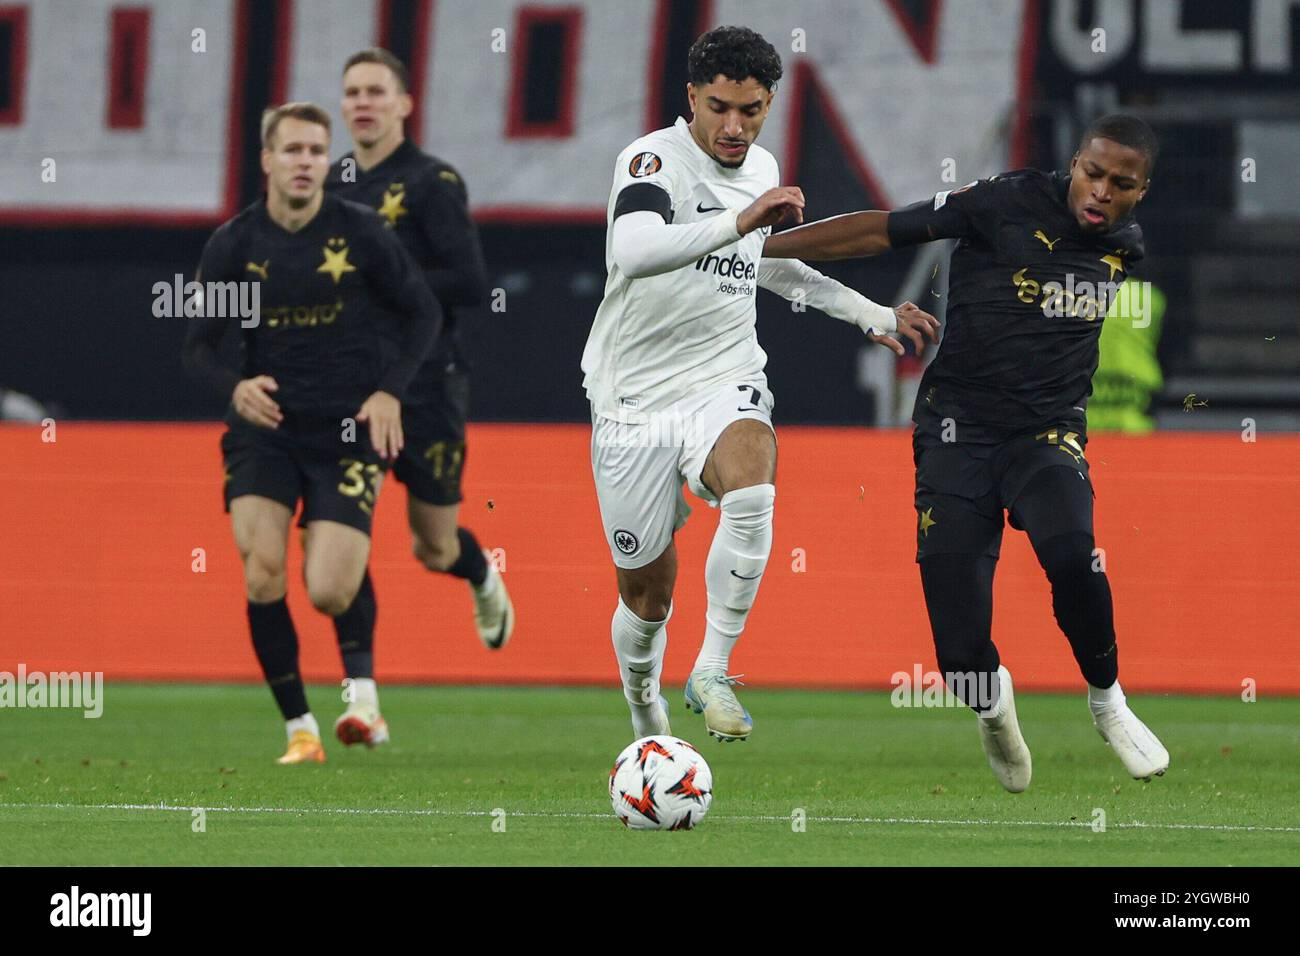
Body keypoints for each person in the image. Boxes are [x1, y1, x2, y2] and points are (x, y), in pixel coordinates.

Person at [764, 114, 1171, 788]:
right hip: (957, 430)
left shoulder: (1127, 245)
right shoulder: (1001, 201)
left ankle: (1108, 702)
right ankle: (992, 707)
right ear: (1074, 163)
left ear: (1140, 192)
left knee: (1073, 551)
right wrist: (762, 247)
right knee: (958, 653)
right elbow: (880, 229)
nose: (1101, 191)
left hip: (1046, 433)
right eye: (1092, 173)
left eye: (1120, 183)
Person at [583, 26, 938, 742]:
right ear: (692, 97)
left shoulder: (760, 166)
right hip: (632, 400)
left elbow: (766, 264)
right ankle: (644, 706)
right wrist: (742, 219)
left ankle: (713, 667)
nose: (735, 126)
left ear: (770, 101)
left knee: (753, 484)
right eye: (720, 107)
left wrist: (865, 310)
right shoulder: (653, 158)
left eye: (752, 109)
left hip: (725, 373)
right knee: (647, 596)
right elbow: (635, 247)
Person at [182, 103, 442, 763]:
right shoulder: (234, 245)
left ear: (329, 161)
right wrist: (234, 388)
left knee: (328, 586)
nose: (305, 162)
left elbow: (422, 314)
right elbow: (199, 347)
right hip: (264, 430)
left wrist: (389, 392)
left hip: (347, 429)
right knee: (263, 570)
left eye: (316, 151)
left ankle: (363, 700)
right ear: (267, 160)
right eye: (293, 150)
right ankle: (300, 729)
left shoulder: (360, 234)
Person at [324, 48, 513, 748]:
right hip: (347, 389)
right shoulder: (329, 183)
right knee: (339, 534)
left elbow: (469, 278)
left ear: (405, 104)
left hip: (428, 382)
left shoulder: (432, 182)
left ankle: (478, 573)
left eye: (377, 91)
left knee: (431, 546)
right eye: (352, 92)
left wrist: (383, 285)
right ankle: (363, 702)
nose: (363, 102)